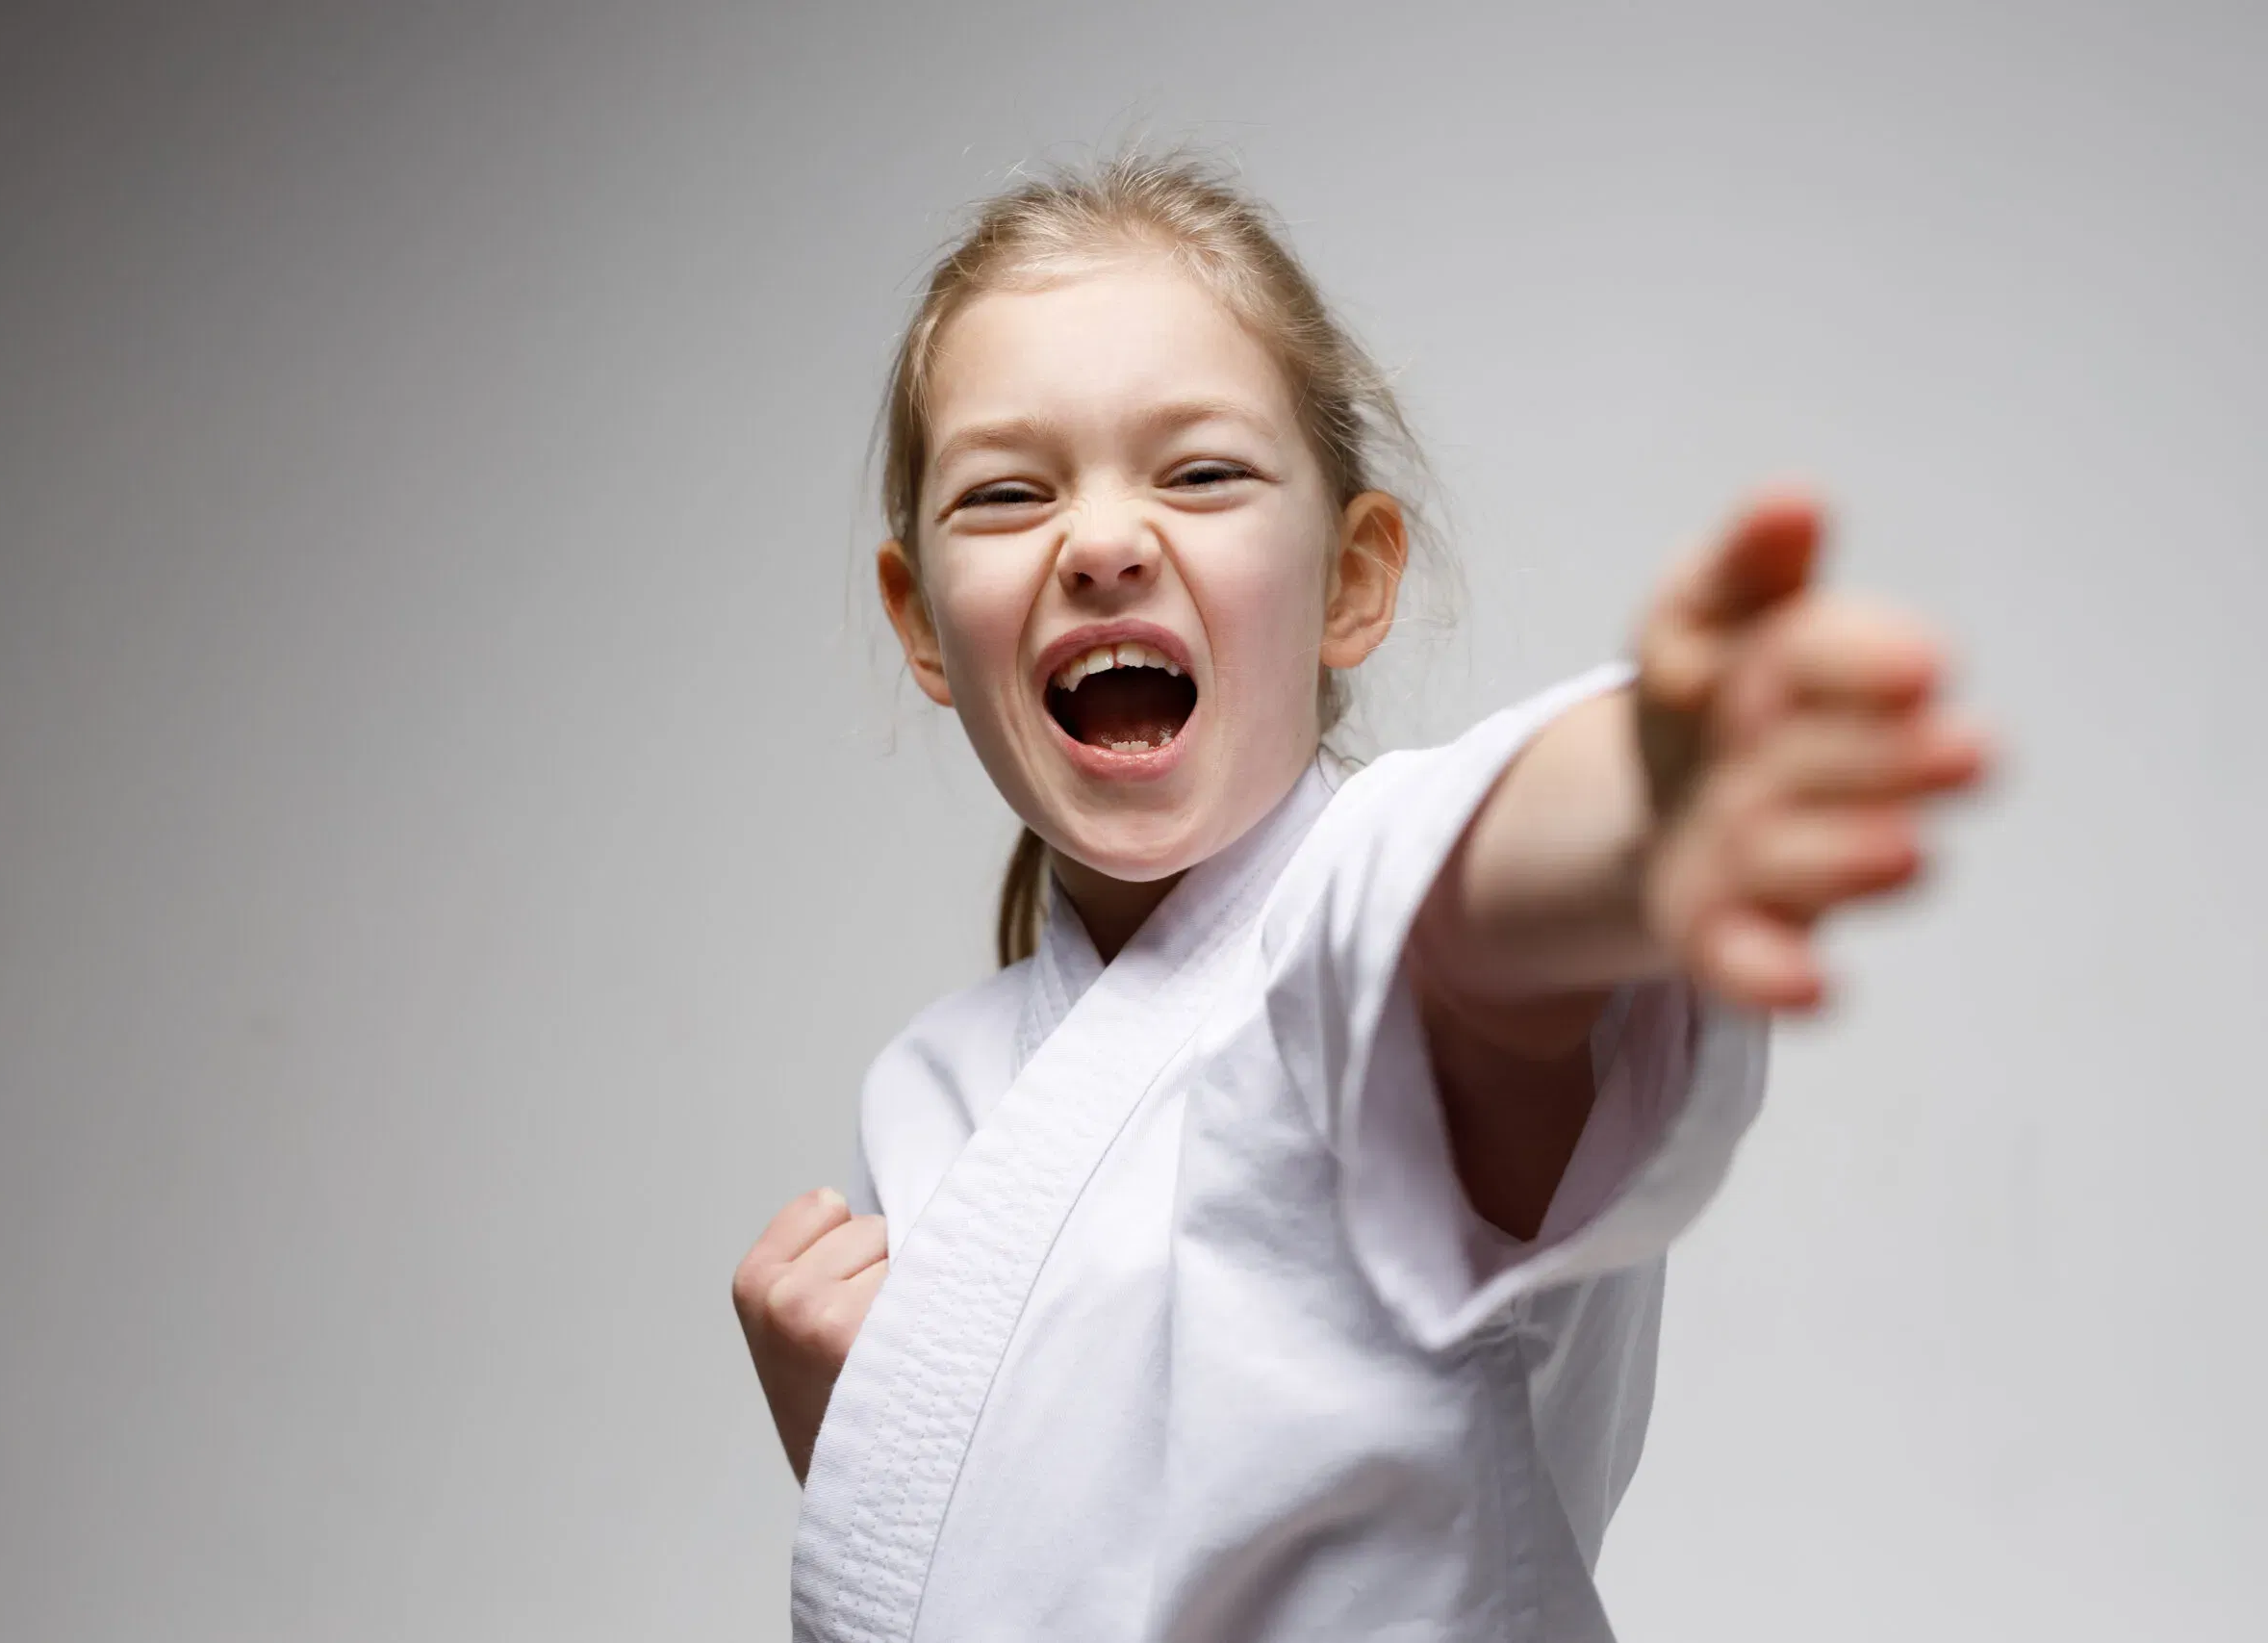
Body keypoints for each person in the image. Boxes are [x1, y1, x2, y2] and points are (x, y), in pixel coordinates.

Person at [729, 147, 1991, 1643]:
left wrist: (1641, 806)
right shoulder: (929, 1088)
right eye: (1009, 492)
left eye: (1200, 472)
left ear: (1352, 579)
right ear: (921, 622)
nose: (1106, 539)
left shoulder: (1361, 937)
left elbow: (1476, 919)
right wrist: (869, 1436)